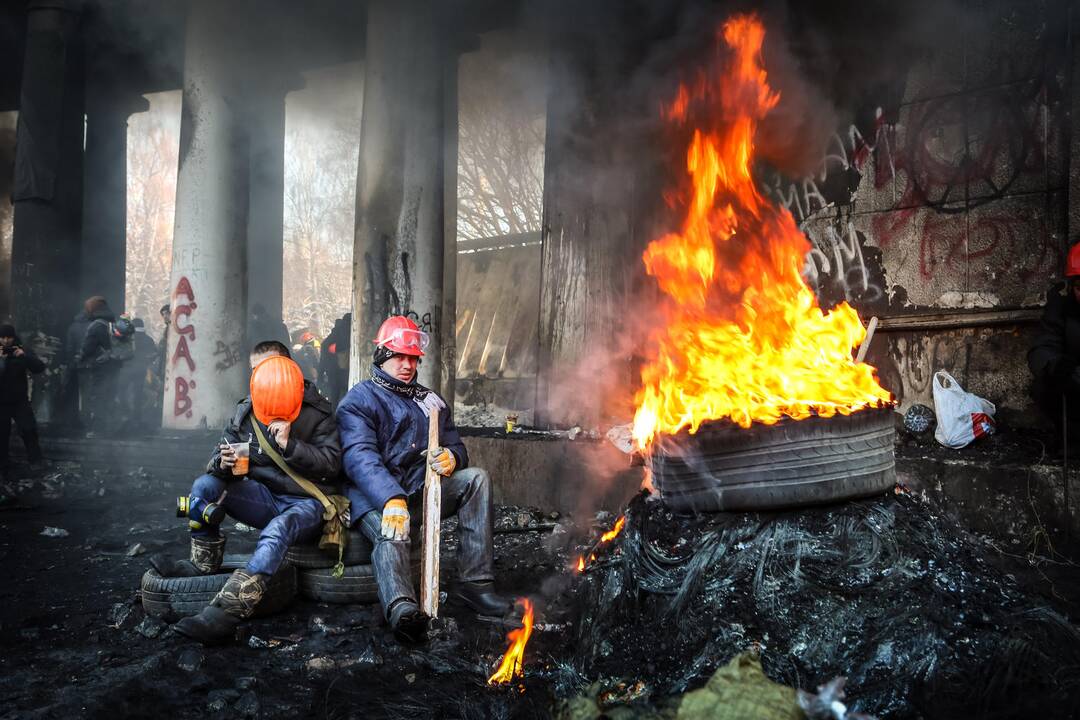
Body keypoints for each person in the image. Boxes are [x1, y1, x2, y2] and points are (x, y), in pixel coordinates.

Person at [337, 315, 513, 643]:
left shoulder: (430, 400)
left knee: (476, 479)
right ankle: (401, 607)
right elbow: (360, 458)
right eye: (399, 356)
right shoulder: (359, 401)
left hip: (422, 492)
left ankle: (476, 585)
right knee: (393, 529)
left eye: (412, 358)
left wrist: (453, 457)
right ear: (381, 356)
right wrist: (391, 498)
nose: (407, 364)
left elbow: (456, 444)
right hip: (375, 498)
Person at [156, 341, 342, 644]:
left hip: (307, 503)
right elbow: (216, 460)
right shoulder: (247, 411)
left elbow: (332, 467)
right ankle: (202, 561)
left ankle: (228, 611)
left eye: (270, 368)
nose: (263, 377)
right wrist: (223, 462)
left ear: (289, 369)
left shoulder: (318, 412)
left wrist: (291, 445)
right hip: (265, 498)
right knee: (205, 486)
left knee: (278, 529)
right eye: (256, 371)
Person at [1028, 242, 1080, 446]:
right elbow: (1042, 347)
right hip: (1076, 384)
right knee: (1043, 387)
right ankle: (1074, 441)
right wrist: (1055, 366)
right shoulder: (1061, 308)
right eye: (1079, 287)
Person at [0, 324, 46, 477]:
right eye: (2, 337)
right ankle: (3, 465)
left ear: (14, 337)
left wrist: (24, 356)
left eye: (9, 337)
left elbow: (39, 367)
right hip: (1, 402)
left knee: (29, 430)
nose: (6, 341)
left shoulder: (22, 350)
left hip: (19, 400)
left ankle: (36, 462)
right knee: (2, 434)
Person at [75, 296, 121, 436]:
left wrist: (80, 358)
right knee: (110, 396)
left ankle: (98, 430)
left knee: (97, 397)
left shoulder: (95, 326)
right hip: (114, 366)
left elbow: (87, 348)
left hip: (100, 367)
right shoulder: (114, 324)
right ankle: (112, 428)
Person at [319, 313, 351, 406]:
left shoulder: (333, 335)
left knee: (335, 397)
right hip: (341, 371)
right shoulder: (345, 332)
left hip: (333, 373)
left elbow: (324, 350)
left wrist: (320, 374)